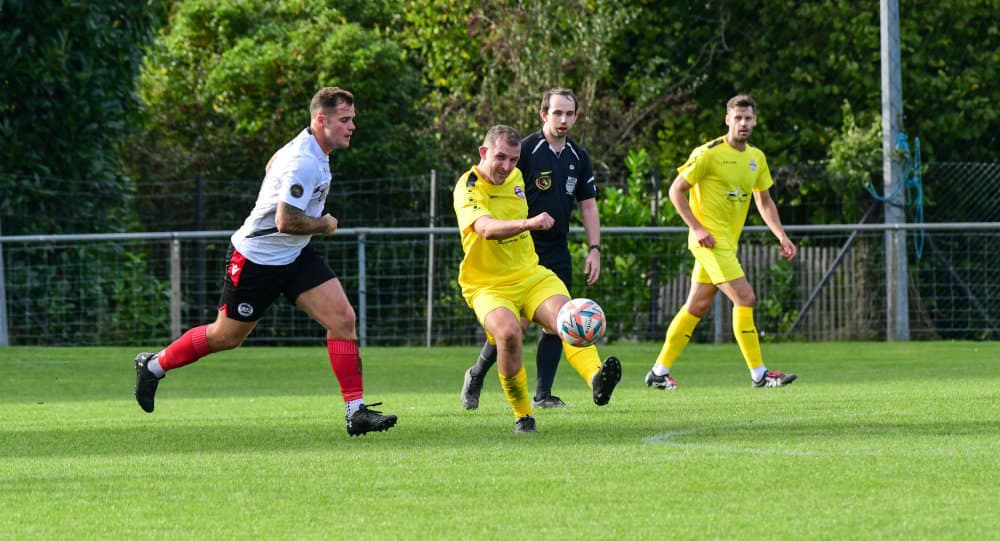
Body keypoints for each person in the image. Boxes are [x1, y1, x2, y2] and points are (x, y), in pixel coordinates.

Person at [133, 87, 398, 437]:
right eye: (345, 120)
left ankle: (356, 412)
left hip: (295, 255)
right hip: (256, 261)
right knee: (225, 336)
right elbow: (285, 221)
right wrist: (325, 224)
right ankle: (153, 366)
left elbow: (271, 165)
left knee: (343, 319)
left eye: (352, 120)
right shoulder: (304, 161)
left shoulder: (310, 148)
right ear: (321, 120)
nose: (352, 127)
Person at [452, 124, 621, 433]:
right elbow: (485, 228)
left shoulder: (517, 176)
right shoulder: (469, 186)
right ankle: (523, 414)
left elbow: (571, 199)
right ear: (483, 152)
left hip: (531, 274)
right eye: (500, 158)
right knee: (508, 334)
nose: (507, 167)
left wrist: (591, 245)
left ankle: (597, 378)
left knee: (570, 317)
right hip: (487, 284)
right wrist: (529, 223)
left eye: (513, 160)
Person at [645, 94, 798, 390]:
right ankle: (760, 374)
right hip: (709, 242)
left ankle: (658, 372)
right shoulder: (708, 153)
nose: (743, 123)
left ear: (755, 121)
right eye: (737, 118)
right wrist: (697, 228)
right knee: (745, 298)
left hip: (727, 243)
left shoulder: (756, 158)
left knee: (697, 306)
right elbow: (676, 191)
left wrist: (781, 234)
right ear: (727, 120)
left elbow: (764, 201)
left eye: (748, 118)